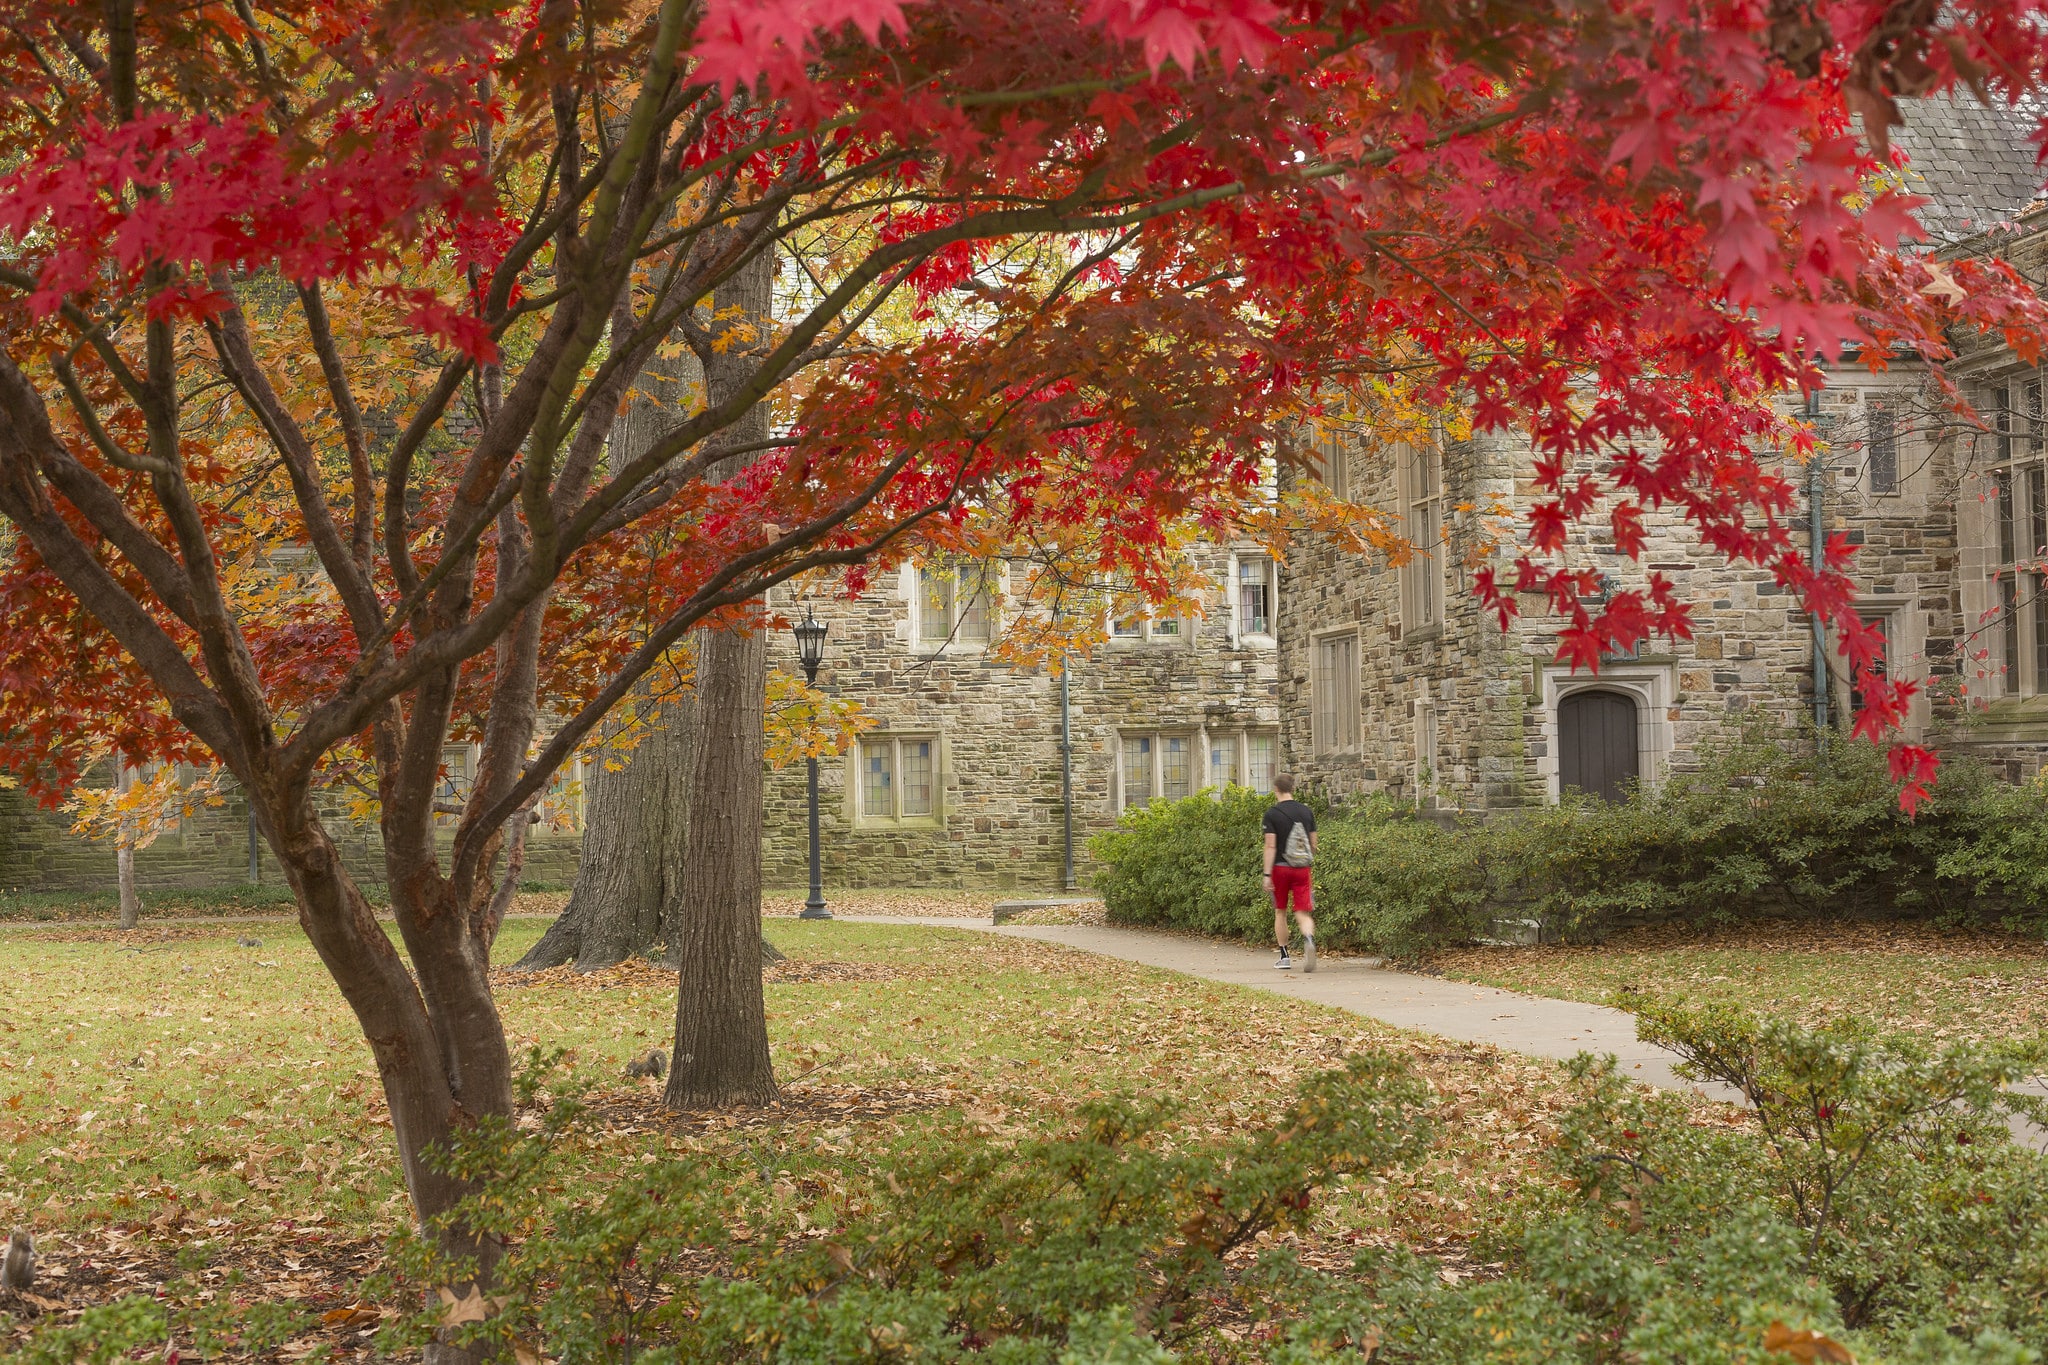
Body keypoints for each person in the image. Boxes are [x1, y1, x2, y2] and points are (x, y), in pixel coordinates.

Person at [1261, 772, 1316, 971]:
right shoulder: (1306, 812)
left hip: (1279, 868)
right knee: (1302, 910)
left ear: (1276, 789)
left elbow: (1270, 846)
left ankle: (1284, 957)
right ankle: (1308, 939)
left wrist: (1267, 875)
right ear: (1292, 789)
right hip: (1302, 868)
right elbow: (1313, 844)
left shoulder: (1272, 814)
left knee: (1280, 911)